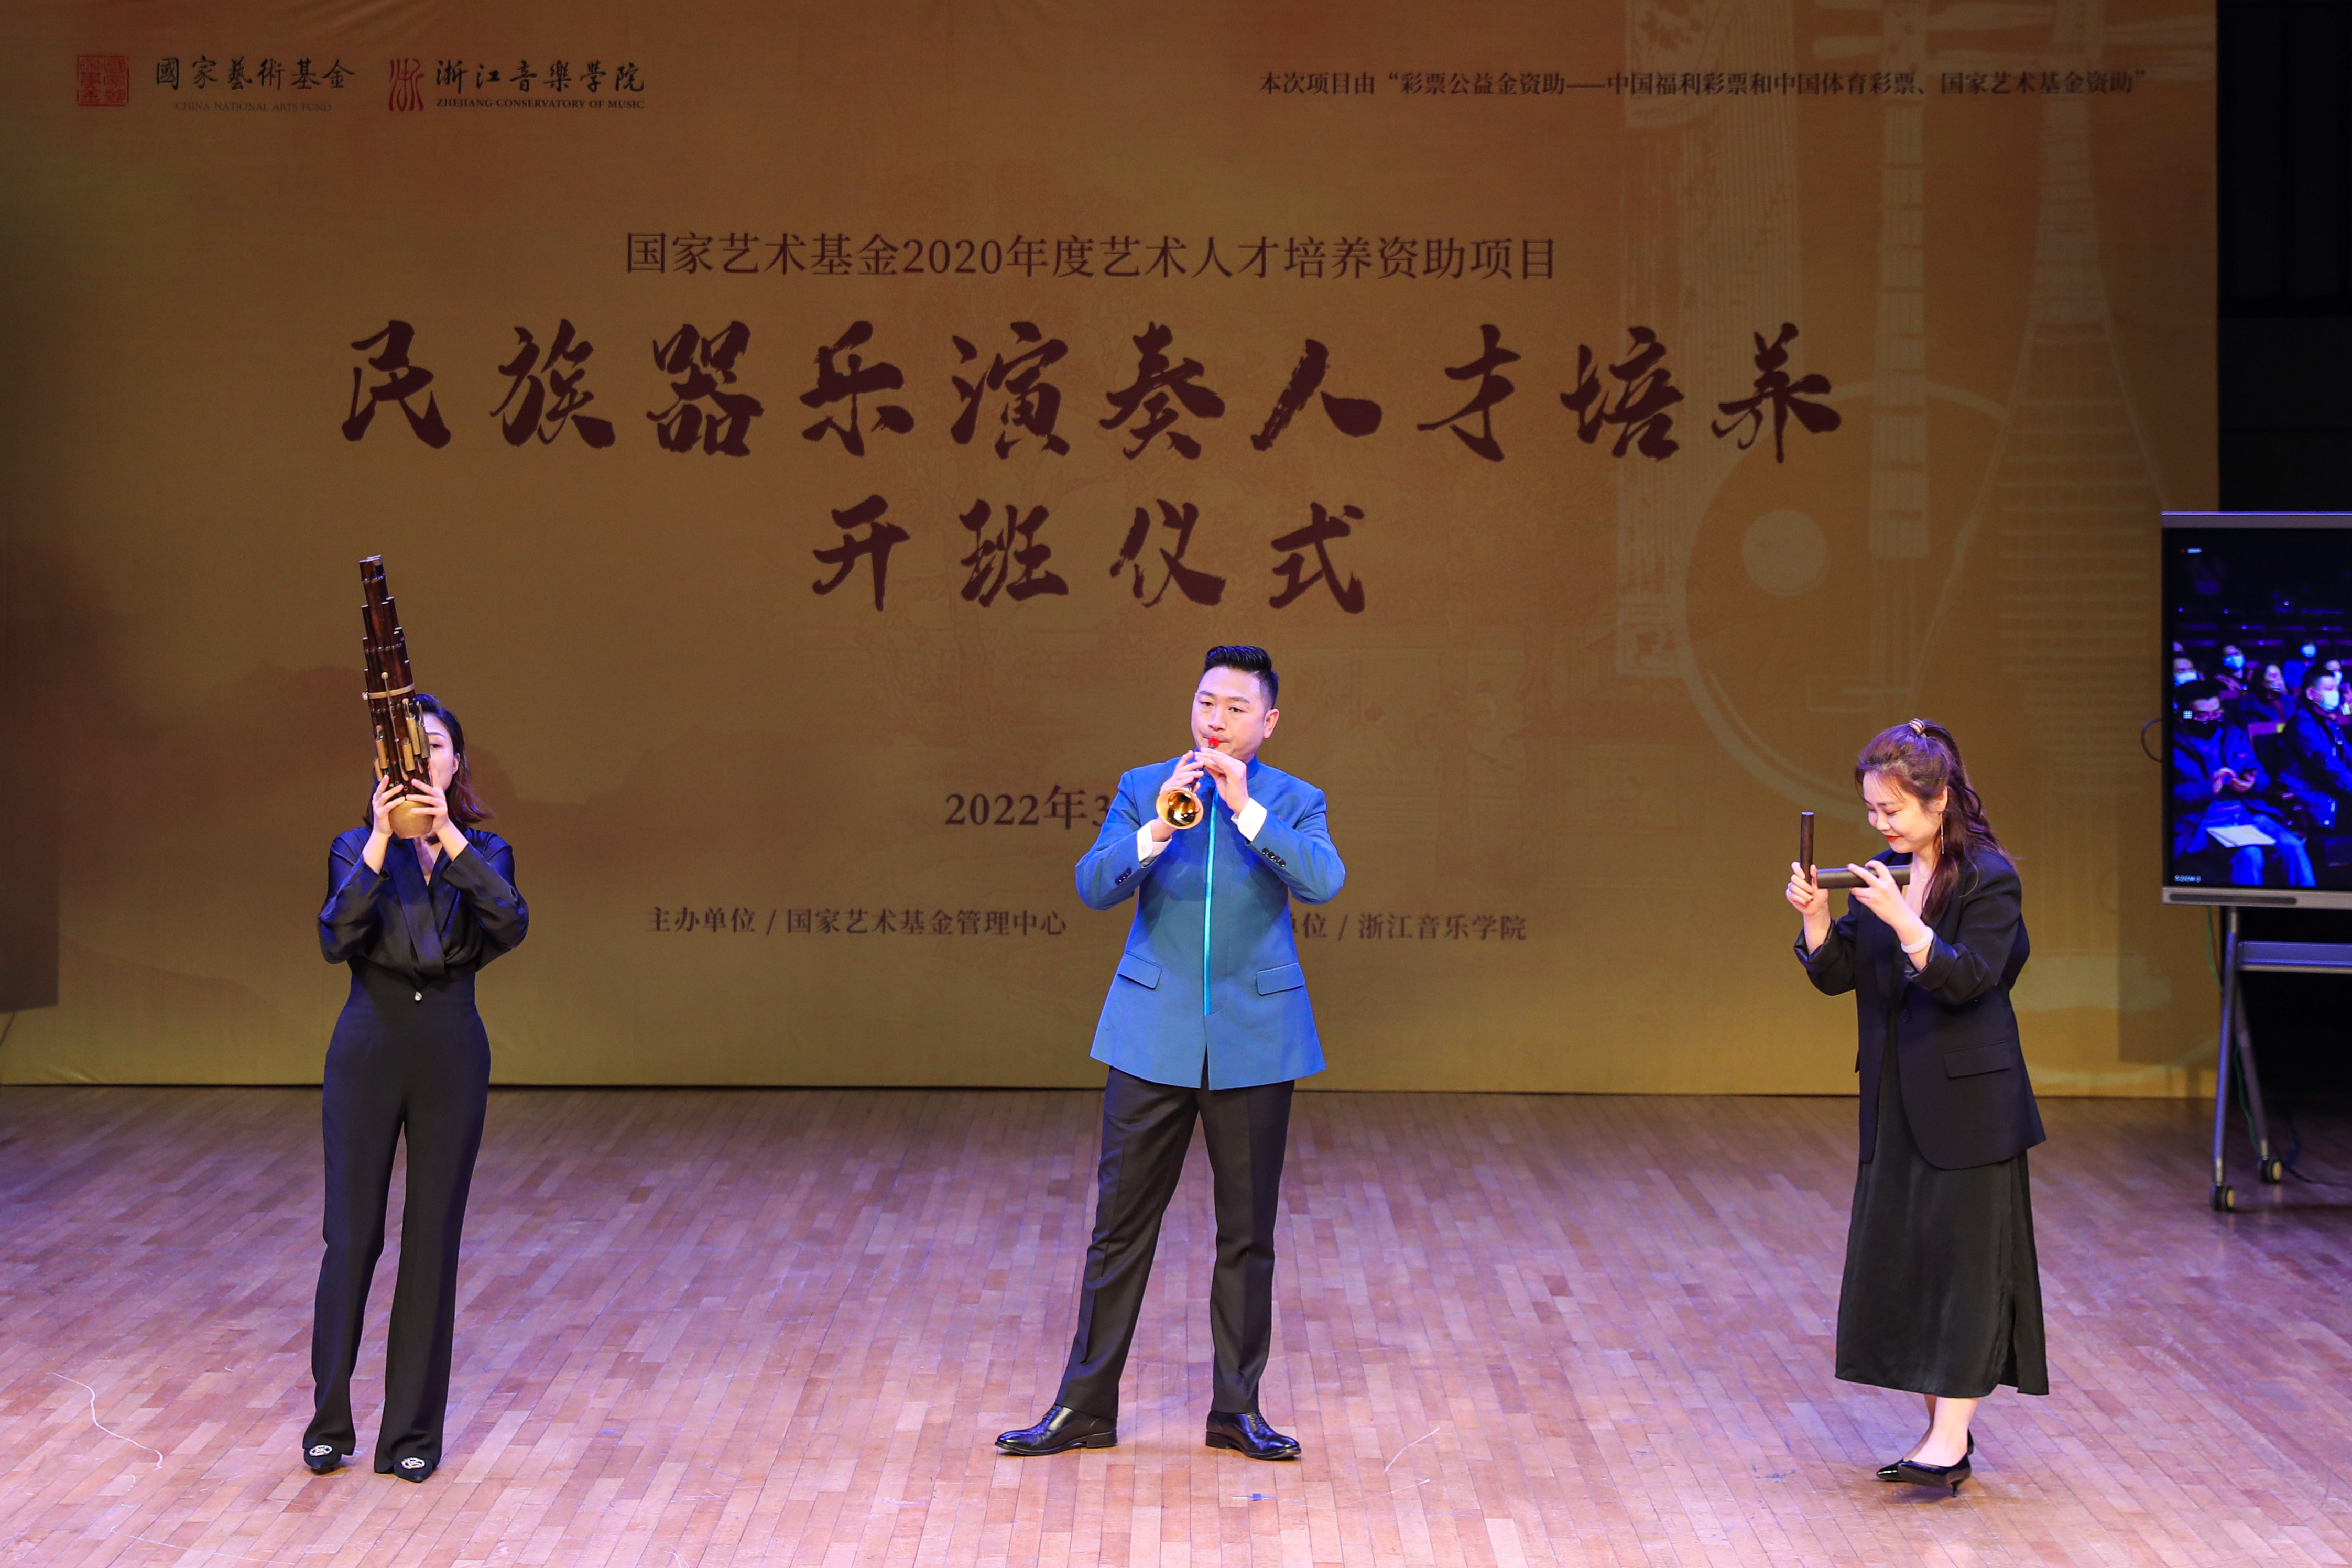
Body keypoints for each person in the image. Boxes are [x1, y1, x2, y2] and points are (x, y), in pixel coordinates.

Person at [997, 646, 1344, 1463]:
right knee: (1119, 1231)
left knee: (1247, 1236)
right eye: (1205, 702)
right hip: (1150, 1036)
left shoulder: (1295, 799)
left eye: (1235, 708)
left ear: (1268, 722)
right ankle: (1083, 1408)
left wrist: (1248, 811)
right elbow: (1094, 885)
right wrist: (1157, 826)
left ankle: (1237, 1410)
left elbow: (1324, 881)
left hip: (1255, 1042)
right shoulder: (1145, 785)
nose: (1215, 720)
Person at [1784, 720, 2046, 1495]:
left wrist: (1905, 920)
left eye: (1892, 809)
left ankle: (1949, 1439)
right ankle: (1944, 1437)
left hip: (1972, 1103)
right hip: (1896, 1098)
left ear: (1940, 800)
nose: (1881, 824)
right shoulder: (1888, 875)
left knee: (1966, 1269)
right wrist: (1816, 919)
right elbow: (1839, 974)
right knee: (1917, 1264)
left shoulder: (1989, 877)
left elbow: (1969, 979)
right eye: (1872, 810)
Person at [305, 696, 528, 1482]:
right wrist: (381, 836)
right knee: (351, 1236)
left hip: (450, 1051)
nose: (420, 756)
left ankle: (411, 1436)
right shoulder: (352, 846)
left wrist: (445, 835)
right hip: (369, 1047)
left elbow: (509, 921)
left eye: (434, 744)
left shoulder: (486, 849)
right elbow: (337, 937)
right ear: (382, 762)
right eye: (405, 745)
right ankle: (329, 1422)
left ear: (455, 760)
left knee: (431, 1241)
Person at [2171, 683, 2314, 887]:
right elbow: (2165, 796)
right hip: (2201, 822)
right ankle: (2249, 907)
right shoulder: (2172, 745)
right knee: (2250, 854)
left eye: (2216, 713)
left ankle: (2308, 904)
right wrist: (2208, 788)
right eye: (2202, 715)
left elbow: (2261, 776)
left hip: (2247, 813)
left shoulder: (2234, 736)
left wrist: (2252, 784)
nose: (2212, 719)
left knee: (2293, 846)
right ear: (2184, 715)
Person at [2281, 670, 2352, 829]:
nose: (2335, 694)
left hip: (2335, 790)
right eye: (2328, 689)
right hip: (2314, 797)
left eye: (2336, 689)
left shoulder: (2329, 721)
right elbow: (2328, 765)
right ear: (2311, 694)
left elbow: (2348, 755)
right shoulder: (2302, 725)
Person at [2234, 661, 2294, 727]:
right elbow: (2250, 727)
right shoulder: (2249, 702)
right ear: (2262, 681)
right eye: (2274, 676)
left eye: (2280, 675)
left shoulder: (2291, 700)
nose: (2279, 680)